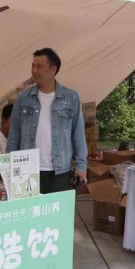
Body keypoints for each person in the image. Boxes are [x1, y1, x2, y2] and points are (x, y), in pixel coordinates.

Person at [8, 48, 88, 193]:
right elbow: (14, 134)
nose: (34, 71)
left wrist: (81, 166)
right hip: (27, 168)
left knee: (57, 208)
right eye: (33, 66)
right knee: (29, 208)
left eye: (39, 66)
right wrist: (9, 166)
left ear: (53, 69)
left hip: (60, 170)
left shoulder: (71, 98)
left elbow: (78, 135)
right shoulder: (23, 97)